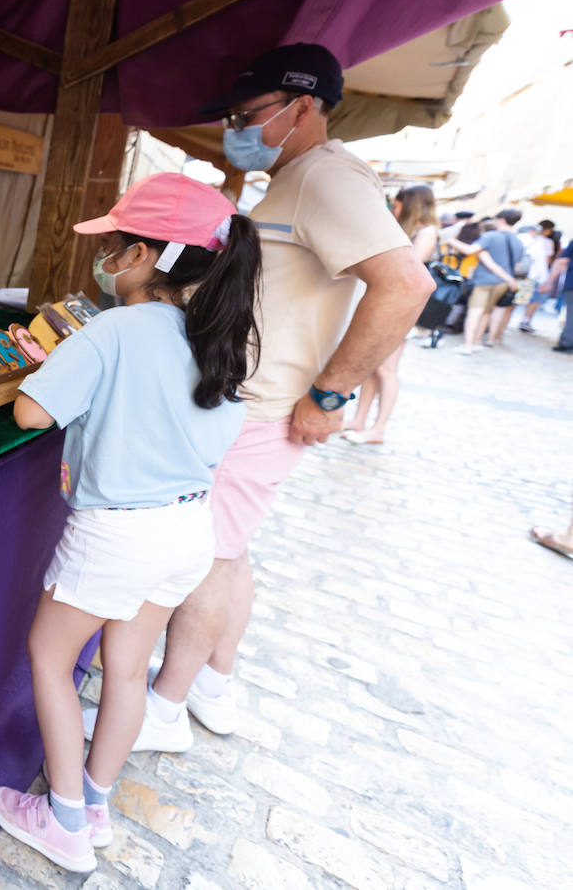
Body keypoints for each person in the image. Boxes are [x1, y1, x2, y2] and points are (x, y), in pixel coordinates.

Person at [126, 44, 432, 751]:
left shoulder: (327, 177)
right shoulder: (301, 179)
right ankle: (212, 684)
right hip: (255, 401)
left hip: (266, 406)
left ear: (302, 107)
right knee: (230, 553)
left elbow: (407, 284)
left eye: (247, 114)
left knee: (206, 555)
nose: (236, 127)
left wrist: (331, 394)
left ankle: (163, 711)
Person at [0, 173, 261, 873]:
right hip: (186, 530)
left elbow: (31, 412)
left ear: (144, 254)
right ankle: (98, 802)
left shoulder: (113, 329)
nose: (105, 258)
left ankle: (65, 821)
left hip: (116, 534)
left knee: (51, 659)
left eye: (112, 245)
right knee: (130, 669)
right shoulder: (217, 335)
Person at [341, 185, 438, 444]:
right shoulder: (411, 230)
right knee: (374, 365)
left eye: (397, 205)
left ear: (411, 204)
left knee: (386, 367)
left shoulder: (426, 233)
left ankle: (378, 428)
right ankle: (360, 420)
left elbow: (409, 269)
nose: (394, 209)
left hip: (404, 306)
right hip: (395, 302)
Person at [447, 210, 522, 353]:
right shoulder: (517, 240)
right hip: (504, 282)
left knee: (475, 312)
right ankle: (476, 341)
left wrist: (451, 240)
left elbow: (470, 250)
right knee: (486, 312)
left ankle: (468, 345)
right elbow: (517, 267)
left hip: (484, 280)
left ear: (501, 220)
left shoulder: (490, 236)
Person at [519, 221, 559, 332]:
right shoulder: (547, 242)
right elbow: (548, 260)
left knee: (521, 298)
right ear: (548, 230)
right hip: (540, 275)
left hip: (525, 273)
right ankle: (526, 320)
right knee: (536, 299)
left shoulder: (529, 239)